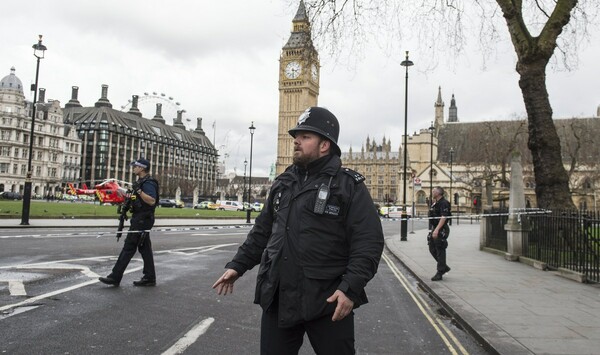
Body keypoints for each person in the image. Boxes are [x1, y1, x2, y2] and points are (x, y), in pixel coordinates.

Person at [212, 107, 384, 354]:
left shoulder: (348, 186)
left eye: (305, 137)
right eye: (296, 136)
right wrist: (237, 266)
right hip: (279, 297)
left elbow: (368, 243)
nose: (296, 141)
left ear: (324, 145)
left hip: (328, 301)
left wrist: (350, 289)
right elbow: (262, 231)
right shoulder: (283, 182)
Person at [99, 158, 159, 287]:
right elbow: (136, 198)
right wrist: (128, 197)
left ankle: (115, 276)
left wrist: (138, 191)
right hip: (140, 217)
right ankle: (149, 277)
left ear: (142, 168)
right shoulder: (140, 182)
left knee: (129, 247)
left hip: (143, 219)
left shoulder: (148, 183)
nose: (133, 168)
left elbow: (151, 201)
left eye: (135, 166)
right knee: (144, 248)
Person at [428, 186, 451, 281]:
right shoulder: (435, 203)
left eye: (434, 191)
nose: (432, 192)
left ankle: (440, 272)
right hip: (435, 228)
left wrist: (437, 230)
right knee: (432, 248)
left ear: (438, 193)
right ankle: (444, 267)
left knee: (440, 249)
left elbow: (444, 217)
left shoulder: (444, 203)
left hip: (441, 229)